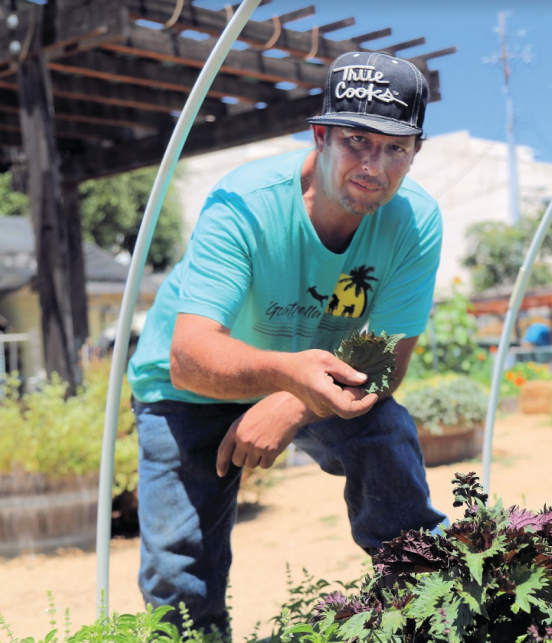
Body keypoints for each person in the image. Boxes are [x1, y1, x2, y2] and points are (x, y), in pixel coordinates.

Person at [127, 51, 448, 634]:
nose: (374, 165)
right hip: (189, 388)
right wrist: (284, 378)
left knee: (384, 433)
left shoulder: (415, 221)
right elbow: (190, 357)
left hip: (316, 375)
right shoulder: (246, 202)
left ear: (415, 152)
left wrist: (294, 401)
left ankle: (434, 607)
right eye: (357, 140)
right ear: (321, 136)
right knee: (180, 573)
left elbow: (388, 361)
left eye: (395, 147)